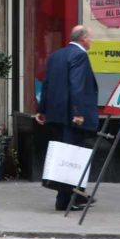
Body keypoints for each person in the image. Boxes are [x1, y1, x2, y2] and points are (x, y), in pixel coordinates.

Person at [36, 25, 99, 211]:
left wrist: (42, 110)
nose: (92, 41)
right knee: (73, 157)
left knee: (65, 156)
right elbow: (76, 86)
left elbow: (46, 84)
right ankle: (67, 200)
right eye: (90, 38)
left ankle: (68, 198)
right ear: (83, 39)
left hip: (56, 116)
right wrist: (78, 113)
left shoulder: (57, 55)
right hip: (72, 117)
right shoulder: (79, 55)